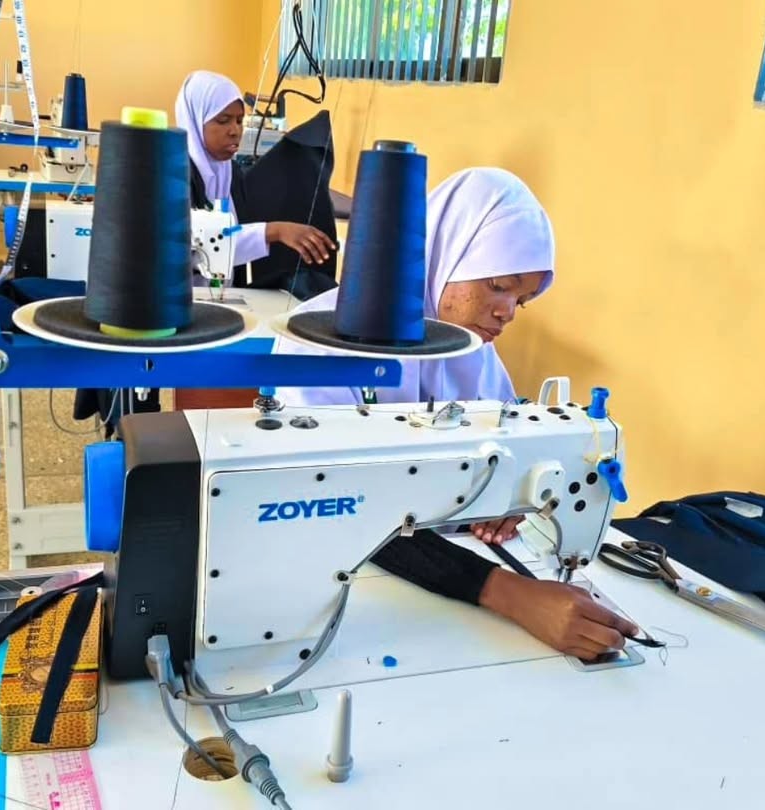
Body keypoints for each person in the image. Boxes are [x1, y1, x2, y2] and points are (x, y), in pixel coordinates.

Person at [273, 167, 640, 661]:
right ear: (445, 249)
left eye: (522, 300)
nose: (507, 312)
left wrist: (505, 501)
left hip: (440, 582)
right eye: (499, 285)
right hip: (334, 598)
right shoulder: (316, 340)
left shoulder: (473, 352)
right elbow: (342, 503)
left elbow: (505, 449)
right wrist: (511, 594)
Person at [175, 70, 336, 274]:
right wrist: (273, 231)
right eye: (223, 120)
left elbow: (232, 230)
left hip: (217, 287)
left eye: (239, 121)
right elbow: (191, 237)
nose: (235, 131)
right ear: (196, 120)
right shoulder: (174, 176)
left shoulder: (229, 174)